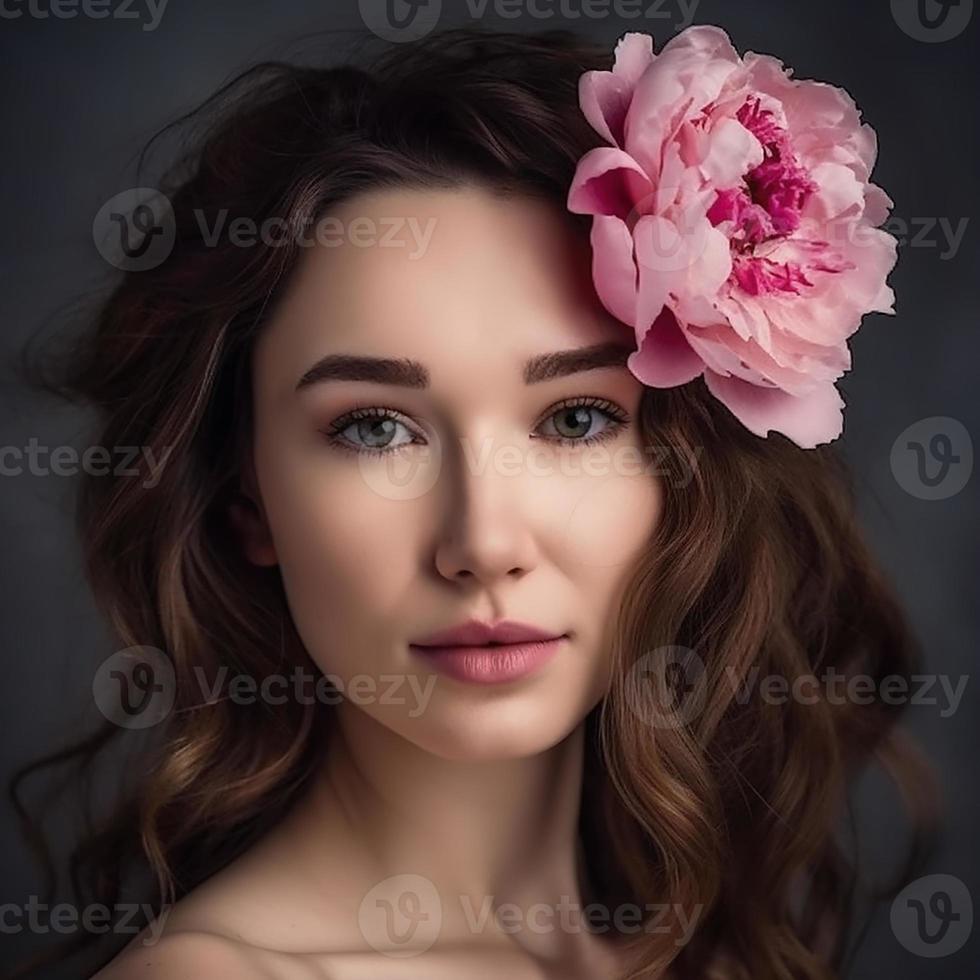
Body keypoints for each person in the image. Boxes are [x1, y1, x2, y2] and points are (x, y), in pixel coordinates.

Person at [10, 24, 937, 980]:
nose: (484, 543)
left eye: (577, 420)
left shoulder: (707, 956)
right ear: (246, 501)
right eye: (375, 428)